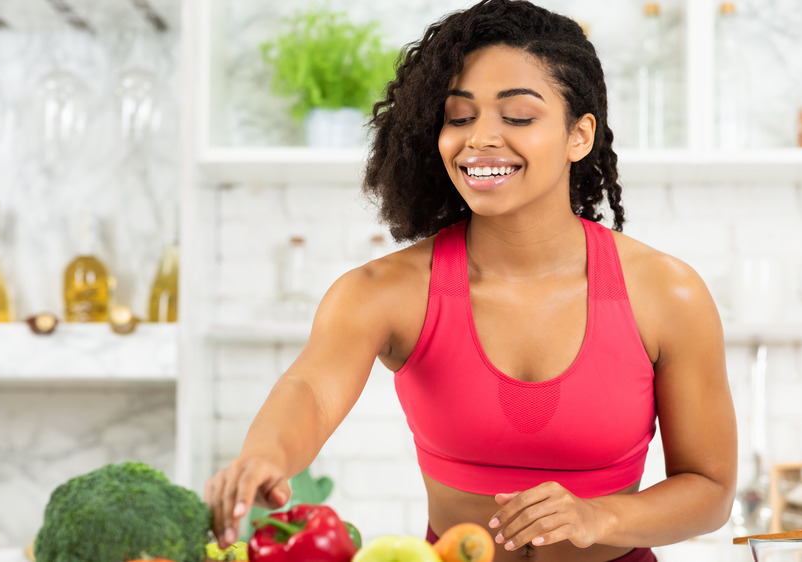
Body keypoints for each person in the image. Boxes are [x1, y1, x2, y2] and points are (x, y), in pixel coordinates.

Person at [203, 1, 737, 561]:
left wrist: (598, 514)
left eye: (519, 117)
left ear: (579, 136)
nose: (479, 138)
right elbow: (311, 388)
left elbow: (709, 490)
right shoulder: (384, 291)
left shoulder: (667, 294)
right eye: (459, 117)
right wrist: (264, 456)